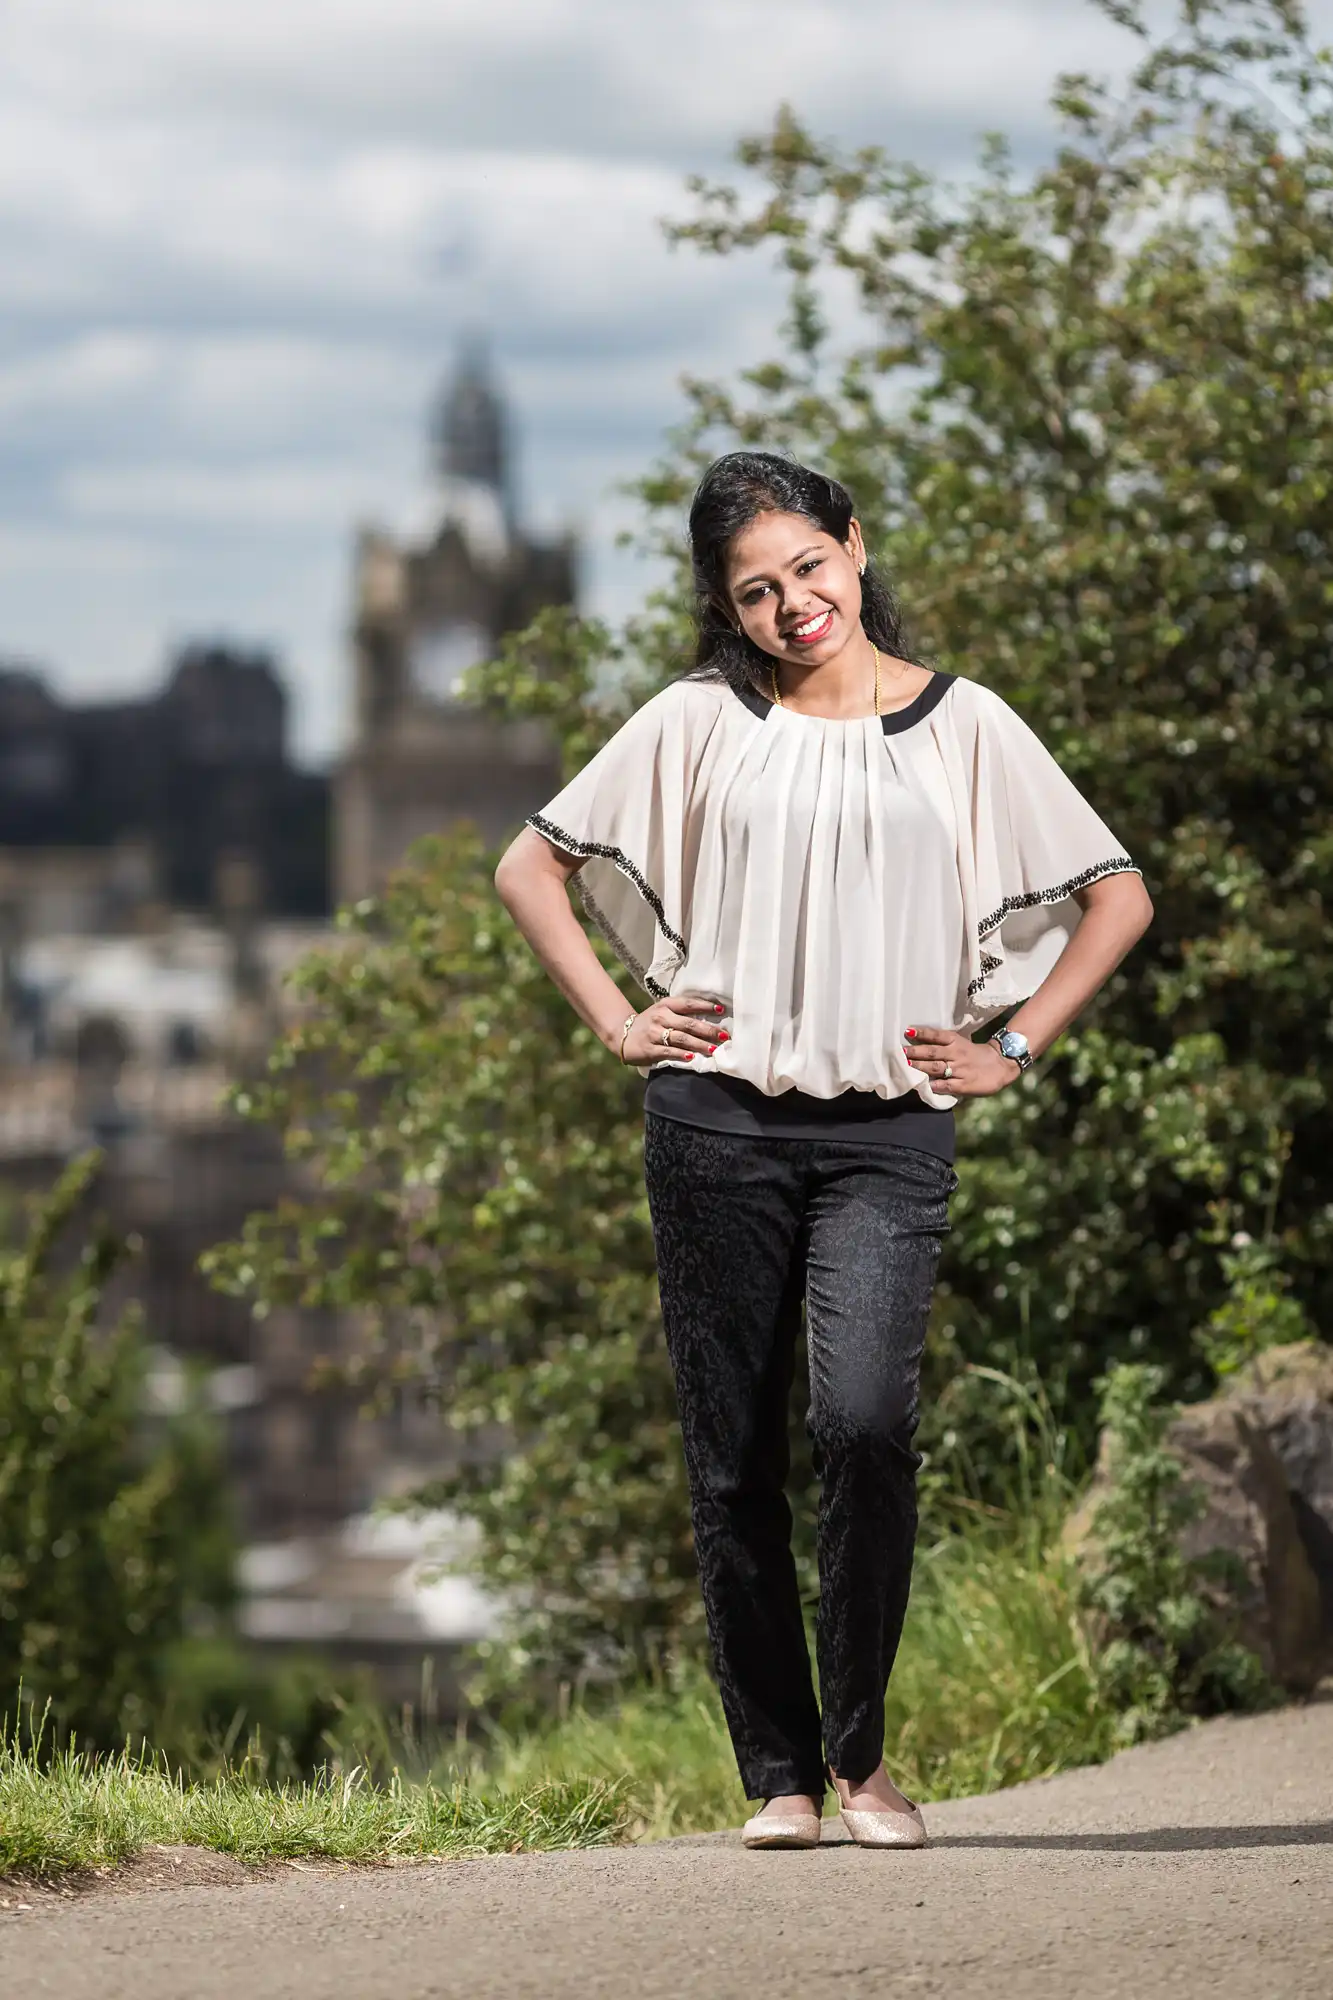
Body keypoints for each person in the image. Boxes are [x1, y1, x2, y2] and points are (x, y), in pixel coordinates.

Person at [494, 451, 1153, 1850]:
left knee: (866, 1426)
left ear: (853, 549)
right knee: (732, 1463)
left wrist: (1013, 1047)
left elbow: (1118, 896)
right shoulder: (695, 722)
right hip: (714, 1129)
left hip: (888, 1141)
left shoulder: (966, 725)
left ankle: (863, 1761)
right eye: (756, 591)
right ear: (726, 612)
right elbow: (528, 867)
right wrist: (621, 1022)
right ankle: (779, 1778)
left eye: (809, 567)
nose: (794, 603)